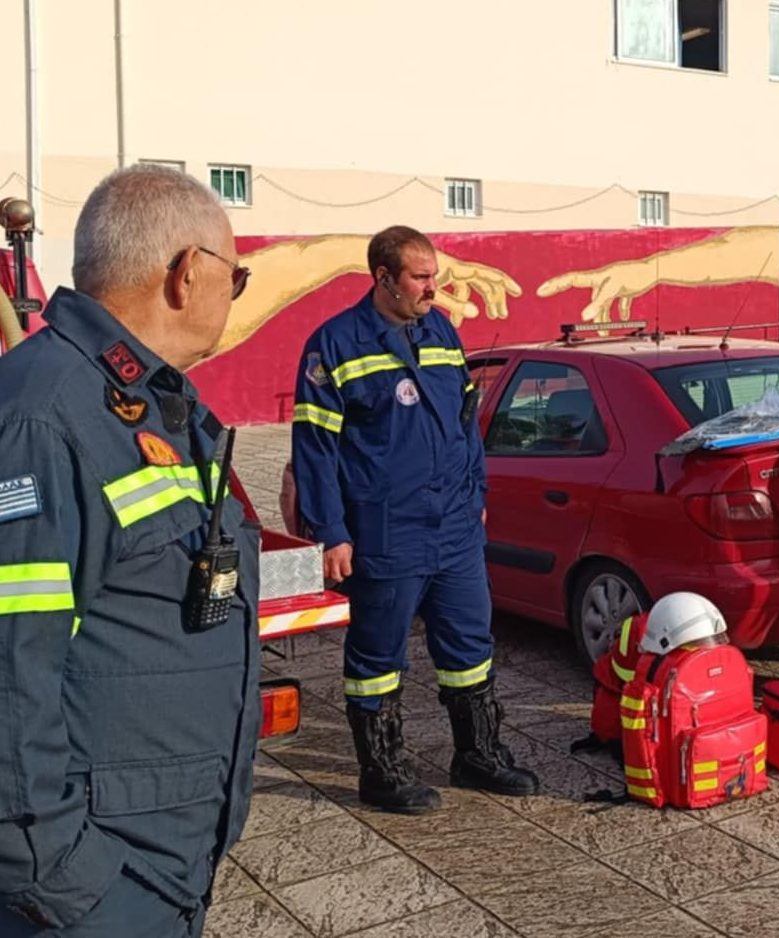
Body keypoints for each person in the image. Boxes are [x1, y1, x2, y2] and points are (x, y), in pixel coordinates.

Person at [0, 165, 258, 935]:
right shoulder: (46, 415)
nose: (231, 293)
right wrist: (69, 882)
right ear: (188, 273)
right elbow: (10, 666)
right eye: (234, 276)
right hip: (90, 890)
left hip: (157, 856)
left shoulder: (138, 400)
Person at [291, 225, 538, 814]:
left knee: (470, 644)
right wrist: (331, 532)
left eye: (435, 275)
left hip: (452, 527)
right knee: (378, 658)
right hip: (385, 530)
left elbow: (463, 421)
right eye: (421, 278)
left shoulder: (441, 331)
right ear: (383, 278)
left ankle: (477, 754)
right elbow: (315, 451)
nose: (435, 288)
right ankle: (382, 771)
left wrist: (475, 491)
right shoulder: (335, 344)